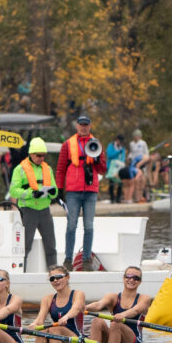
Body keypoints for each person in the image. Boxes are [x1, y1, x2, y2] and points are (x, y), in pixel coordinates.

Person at [55, 115, 106, 271]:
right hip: (73, 191)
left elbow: (104, 169)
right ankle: (68, 260)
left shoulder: (96, 144)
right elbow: (61, 168)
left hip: (90, 191)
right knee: (71, 225)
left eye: (86, 125)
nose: (83, 127)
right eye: (81, 125)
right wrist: (59, 189)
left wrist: (97, 160)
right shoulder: (67, 144)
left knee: (89, 226)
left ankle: (86, 261)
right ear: (76, 126)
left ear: (90, 126)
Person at [10, 137, 59, 272]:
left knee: (51, 246)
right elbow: (13, 190)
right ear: (31, 154)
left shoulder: (47, 169)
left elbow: (54, 190)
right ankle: (21, 273)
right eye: (39, 155)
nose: (41, 158)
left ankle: (54, 274)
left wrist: (53, 192)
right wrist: (31, 193)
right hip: (28, 211)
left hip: (45, 211)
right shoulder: (19, 169)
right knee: (25, 246)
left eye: (44, 155)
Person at [84, 267, 153, 343]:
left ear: (140, 282)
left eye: (136, 278)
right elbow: (98, 305)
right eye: (128, 276)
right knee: (97, 321)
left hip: (133, 341)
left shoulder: (144, 298)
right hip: (115, 336)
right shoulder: (113, 297)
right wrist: (84, 307)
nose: (131, 280)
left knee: (116, 324)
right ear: (124, 278)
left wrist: (122, 315)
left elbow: (135, 311)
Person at [28, 266, 85, 343]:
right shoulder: (47, 299)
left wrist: (66, 317)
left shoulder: (77, 294)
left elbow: (76, 309)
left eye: (58, 277)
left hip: (77, 342)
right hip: (58, 338)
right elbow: (40, 319)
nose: (55, 280)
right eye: (52, 278)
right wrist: (34, 324)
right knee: (42, 331)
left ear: (67, 277)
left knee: (55, 328)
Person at [105, 135, 127, 204]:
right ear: (117, 140)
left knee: (120, 182)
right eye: (120, 141)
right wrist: (118, 152)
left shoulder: (122, 147)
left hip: (119, 167)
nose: (121, 143)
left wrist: (121, 163)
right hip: (111, 166)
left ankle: (118, 198)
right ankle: (112, 198)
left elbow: (123, 157)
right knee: (111, 182)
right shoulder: (111, 145)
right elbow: (109, 155)